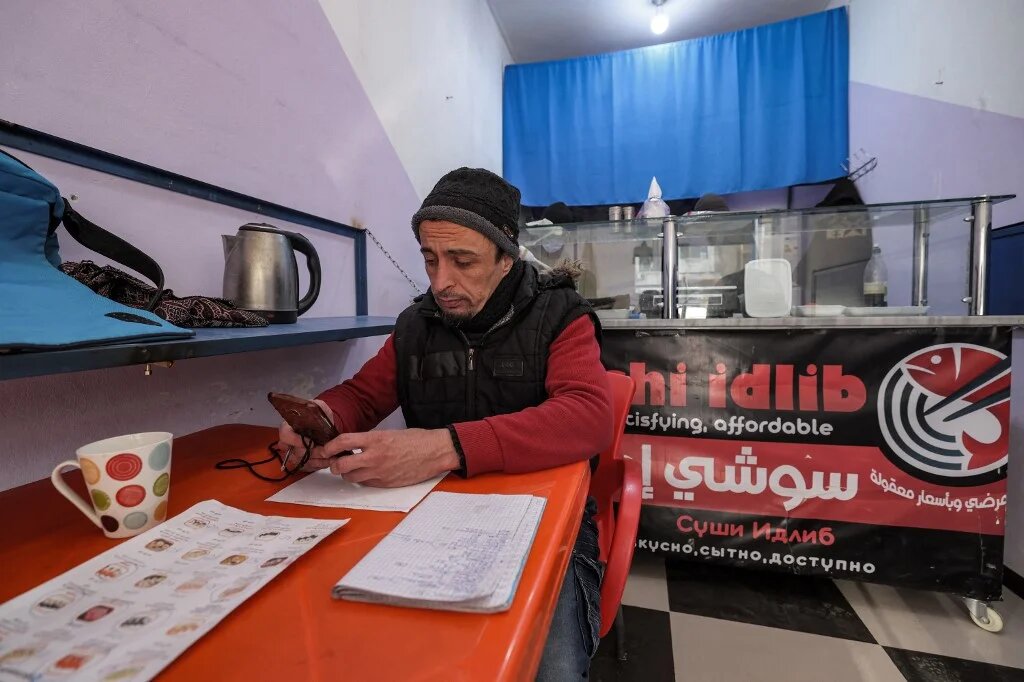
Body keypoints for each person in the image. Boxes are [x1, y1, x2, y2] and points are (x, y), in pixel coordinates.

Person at [277, 167, 613, 679]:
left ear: (506, 257)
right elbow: (363, 396)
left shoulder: (560, 315)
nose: (440, 283)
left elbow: (587, 417)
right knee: (363, 645)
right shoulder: (417, 325)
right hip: (431, 519)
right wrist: (322, 418)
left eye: (462, 262)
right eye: (430, 260)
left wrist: (443, 448)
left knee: (549, 670)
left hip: (545, 522)